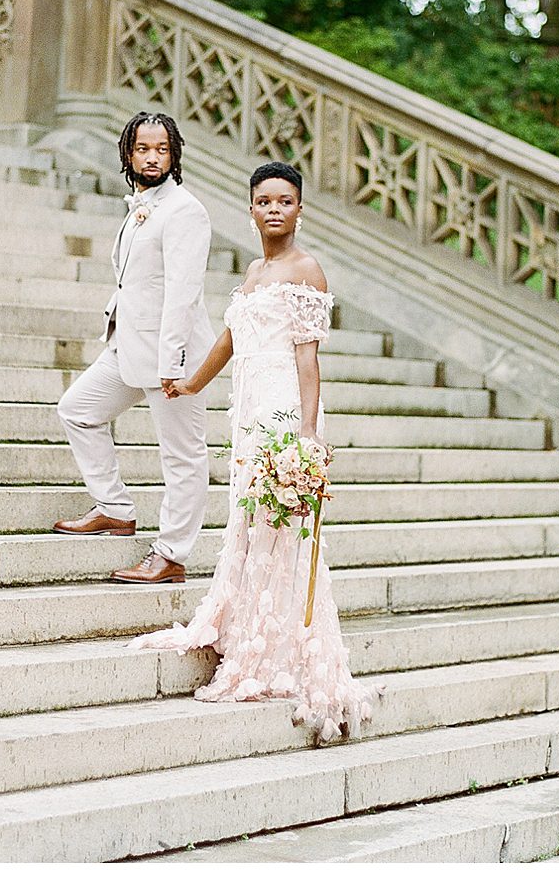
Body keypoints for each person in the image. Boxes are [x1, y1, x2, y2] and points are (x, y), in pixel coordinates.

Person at [129, 160, 380, 743]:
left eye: (285, 201)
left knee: (281, 520)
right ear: (251, 210)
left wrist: (307, 433)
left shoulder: (306, 269)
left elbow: (308, 356)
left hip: (283, 408)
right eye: (264, 201)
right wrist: (193, 382)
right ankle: (247, 627)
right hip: (246, 408)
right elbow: (231, 338)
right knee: (250, 514)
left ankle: (280, 645)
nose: (274, 209)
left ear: (298, 209)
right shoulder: (252, 269)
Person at [54, 112, 216, 584]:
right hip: (128, 344)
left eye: (161, 149)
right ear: (128, 153)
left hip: (176, 357)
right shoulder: (143, 206)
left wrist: (173, 366)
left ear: (174, 154)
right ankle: (115, 508)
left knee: (182, 456)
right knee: (77, 410)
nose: (152, 157)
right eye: (143, 149)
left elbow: (183, 293)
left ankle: (171, 555)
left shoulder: (186, 210)